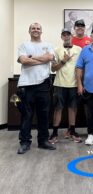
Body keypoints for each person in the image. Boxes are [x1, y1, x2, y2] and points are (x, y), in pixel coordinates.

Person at [16, 23, 56, 154]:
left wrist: (31, 57)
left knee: (43, 115)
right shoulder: (24, 45)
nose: (36, 30)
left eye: (38, 28)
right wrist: (42, 59)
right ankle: (25, 142)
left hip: (43, 84)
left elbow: (50, 57)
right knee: (26, 115)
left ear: (41, 31)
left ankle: (43, 141)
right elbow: (23, 60)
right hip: (26, 85)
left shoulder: (48, 45)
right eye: (33, 28)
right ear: (29, 31)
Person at [48, 28, 82, 144]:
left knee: (73, 108)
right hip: (59, 84)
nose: (66, 37)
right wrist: (63, 61)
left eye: (68, 34)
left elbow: (81, 67)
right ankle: (54, 133)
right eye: (64, 35)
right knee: (58, 109)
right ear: (61, 37)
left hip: (74, 84)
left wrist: (81, 84)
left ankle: (72, 131)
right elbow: (53, 68)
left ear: (71, 36)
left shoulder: (79, 49)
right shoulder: (56, 50)